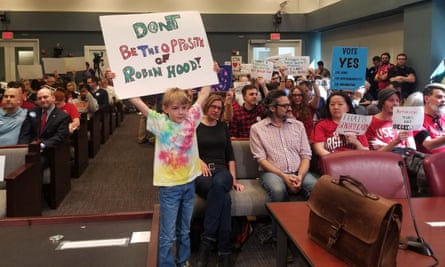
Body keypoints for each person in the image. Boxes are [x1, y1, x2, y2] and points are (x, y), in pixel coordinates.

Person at [129, 86, 211, 267]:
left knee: (184, 230)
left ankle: (182, 261)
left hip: (190, 183)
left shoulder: (192, 119)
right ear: (165, 109)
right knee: (168, 234)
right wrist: (117, 79)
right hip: (169, 187)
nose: (180, 112)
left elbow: (204, 94)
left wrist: (210, 72)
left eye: (183, 107)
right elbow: (135, 100)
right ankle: (167, 264)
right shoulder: (160, 123)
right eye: (175, 108)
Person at [250, 90, 318, 247]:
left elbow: (306, 155)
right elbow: (261, 159)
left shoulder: (298, 126)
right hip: (272, 172)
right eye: (285, 105)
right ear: (272, 108)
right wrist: (284, 177)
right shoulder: (257, 129)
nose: (290, 108)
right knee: (278, 190)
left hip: (298, 170)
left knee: (316, 188)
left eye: (289, 105)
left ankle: (310, 234)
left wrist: (300, 176)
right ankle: (279, 240)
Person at [195, 94, 244, 267]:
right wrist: (198, 161)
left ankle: (206, 244)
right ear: (207, 106)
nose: (216, 110)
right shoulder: (196, 126)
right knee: (224, 198)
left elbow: (229, 154)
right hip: (202, 172)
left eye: (219, 108)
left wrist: (234, 179)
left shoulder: (223, 126)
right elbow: (188, 149)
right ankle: (224, 251)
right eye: (213, 107)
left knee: (219, 185)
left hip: (222, 172)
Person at [311, 92, 369, 166]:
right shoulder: (321, 125)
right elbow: (318, 149)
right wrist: (338, 160)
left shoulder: (356, 124)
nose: (336, 107)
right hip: (331, 164)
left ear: (348, 107)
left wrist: (356, 142)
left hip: (355, 164)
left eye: (340, 104)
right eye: (332, 104)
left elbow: (366, 152)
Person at [18, 88, 71, 168]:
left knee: (32, 165)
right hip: (30, 149)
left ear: (53, 98)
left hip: (49, 151)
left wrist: (42, 145)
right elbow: (25, 133)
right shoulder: (32, 112)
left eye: (45, 97)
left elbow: (60, 136)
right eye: (39, 98)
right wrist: (22, 148)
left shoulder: (63, 116)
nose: (42, 100)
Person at [413, 83, 445, 154]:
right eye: (439, 97)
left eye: (444, 97)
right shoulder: (416, 119)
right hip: (431, 161)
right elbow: (429, 145)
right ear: (426, 99)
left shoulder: (443, 116)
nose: (443, 100)